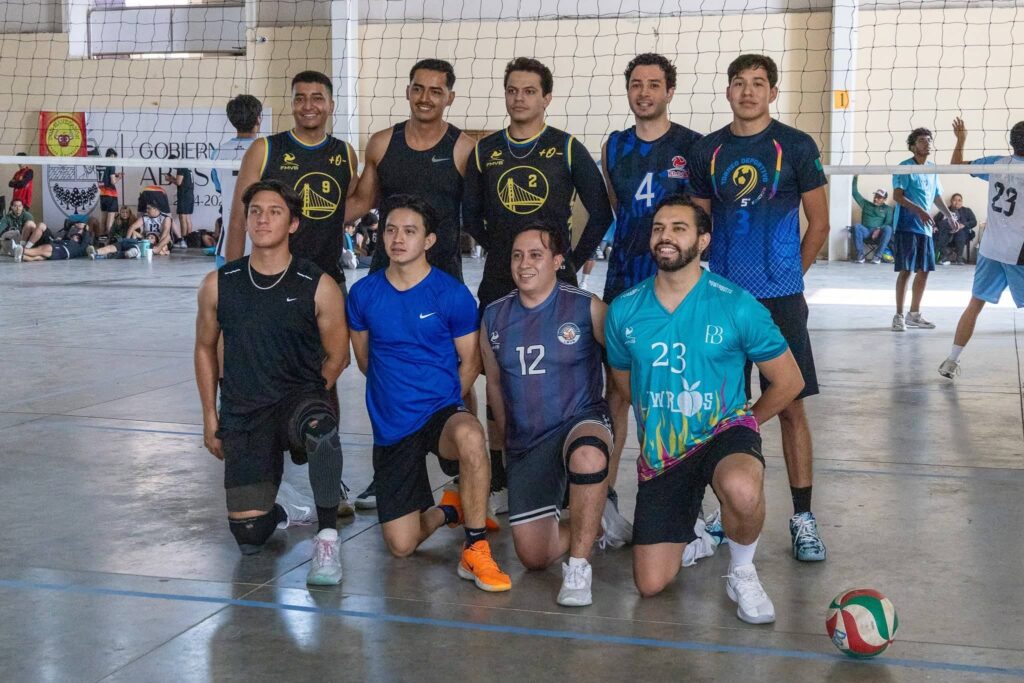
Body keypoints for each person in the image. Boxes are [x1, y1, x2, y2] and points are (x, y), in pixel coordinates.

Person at [605, 194, 804, 623]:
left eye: (679, 228)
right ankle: (696, 532)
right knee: (650, 584)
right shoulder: (624, 310)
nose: (666, 236)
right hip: (664, 452)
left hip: (722, 432)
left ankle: (742, 570)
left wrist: (746, 421)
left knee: (742, 488)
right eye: (659, 228)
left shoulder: (736, 304)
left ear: (703, 240)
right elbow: (625, 384)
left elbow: (790, 380)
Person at [687, 53, 830, 562]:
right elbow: (699, 231)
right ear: (727, 91)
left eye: (758, 83)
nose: (747, 91)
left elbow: (819, 223)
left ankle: (803, 517)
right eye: (739, 83)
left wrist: (791, 278)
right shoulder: (707, 151)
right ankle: (726, 513)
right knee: (720, 406)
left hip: (780, 300)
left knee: (790, 406)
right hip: (724, 301)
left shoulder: (796, 145)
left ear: (772, 91)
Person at [462, 56, 613, 514]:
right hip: (500, 279)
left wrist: (572, 259)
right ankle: (502, 475)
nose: (519, 98)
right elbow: (471, 216)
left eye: (529, 91)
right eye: (512, 90)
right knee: (501, 377)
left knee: (559, 372)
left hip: (555, 280)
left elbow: (601, 212)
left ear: (546, 97)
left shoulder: (566, 148)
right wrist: (503, 252)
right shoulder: (486, 151)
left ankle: (571, 467)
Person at [346, 194, 511, 593]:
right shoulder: (363, 294)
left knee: (470, 435)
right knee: (402, 546)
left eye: (409, 231)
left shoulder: (450, 294)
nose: (397, 239)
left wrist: (446, 400)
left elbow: (470, 361)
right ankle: (449, 509)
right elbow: (366, 362)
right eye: (390, 230)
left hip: (440, 413)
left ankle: (475, 548)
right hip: (392, 425)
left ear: (429, 240)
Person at [194, 179, 350, 584]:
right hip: (245, 411)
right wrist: (210, 416)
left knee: (322, 430)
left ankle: (327, 538)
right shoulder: (219, 284)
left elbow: (339, 355)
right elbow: (205, 349)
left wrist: (314, 395)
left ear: (293, 224)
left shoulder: (318, 285)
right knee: (250, 537)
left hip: (297, 403)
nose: (263, 219)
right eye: (256, 212)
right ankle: (283, 507)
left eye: (275, 212)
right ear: (246, 221)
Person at [599, 52, 704, 548]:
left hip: (675, 286)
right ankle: (604, 505)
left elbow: (700, 221)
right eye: (636, 84)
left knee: (674, 393)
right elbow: (618, 210)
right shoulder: (614, 146)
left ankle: (685, 508)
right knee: (616, 393)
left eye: (654, 84)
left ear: (670, 91)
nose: (644, 93)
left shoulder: (692, 147)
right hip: (624, 281)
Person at [480, 225, 612, 606]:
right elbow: (493, 386)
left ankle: (579, 568)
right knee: (534, 557)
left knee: (588, 456)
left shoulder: (587, 307)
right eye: (517, 255)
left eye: (536, 255)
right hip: (529, 440)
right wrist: (507, 446)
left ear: (557, 261)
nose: (524, 264)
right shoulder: (493, 317)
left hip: (579, 420)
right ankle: (596, 519)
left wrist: (615, 421)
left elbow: (622, 369)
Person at [226, 70, 359, 290]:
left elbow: (352, 203)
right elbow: (238, 220)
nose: (308, 106)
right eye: (300, 99)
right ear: (292, 104)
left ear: (331, 106)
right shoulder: (264, 149)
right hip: (273, 280)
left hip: (329, 278)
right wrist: (231, 283)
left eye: (317, 98)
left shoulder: (345, 153)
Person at [349, 58, 475, 280]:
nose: (424, 98)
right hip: (387, 271)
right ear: (408, 92)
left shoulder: (464, 149)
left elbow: (480, 212)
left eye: (435, 92)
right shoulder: (381, 143)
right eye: (418, 89)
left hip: (443, 274)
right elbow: (361, 202)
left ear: (450, 98)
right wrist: (307, 222)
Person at [939, 118, 1024, 379]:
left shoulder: (996, 163)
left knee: (975, 304)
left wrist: (961, 140)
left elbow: (955, 166)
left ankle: (951, 361)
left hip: (990, 249)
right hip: (1018, 252)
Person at [889, 128, 959, 331]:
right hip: (906, 225)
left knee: (925, 270)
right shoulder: (905, 167)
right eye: (922, 140)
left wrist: (949, 215)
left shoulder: (932, 168)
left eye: (929, 140)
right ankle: (898, 315)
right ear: (913, 146)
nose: (927, 143)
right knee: (906, 270)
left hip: (925, 227)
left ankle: (914, 314)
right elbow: (898, 196)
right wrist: (920, 211)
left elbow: (936, 196)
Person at [213, 94, 263, 268]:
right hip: (261, 241)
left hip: (228, 245)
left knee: (227, 283)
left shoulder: (218, 153)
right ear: (258, 119)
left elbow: (218, 187)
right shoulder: (266, 150)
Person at [850, 176, 894, 263]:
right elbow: (854, 192)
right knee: (856, 226)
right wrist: (855, 177)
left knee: (888, 229)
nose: (876, 199)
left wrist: (878, 229)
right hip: (866, 231)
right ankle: (860, 256)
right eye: (875, 196)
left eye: (879, 197)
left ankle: (877, 256)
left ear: (884, 199)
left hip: (879, 234)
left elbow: (888, 222)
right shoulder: (866, 204)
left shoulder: (888, 209)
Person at [16, 220, 92, 262]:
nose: (76, 234)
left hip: (63, 250)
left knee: (45, 249)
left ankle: (22, 250)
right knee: (42, 255)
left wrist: (86, 228)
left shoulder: (80, 246)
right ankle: (22, 254)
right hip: (56, 243)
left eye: (78, 237)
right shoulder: (68, 236)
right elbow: (67, 223)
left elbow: (86, 240)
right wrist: (75, 224)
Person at [934, 193, 978, 265]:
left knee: (960, 231)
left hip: (962, 233)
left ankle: (959, 257)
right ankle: (944, 254)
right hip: (947, 233)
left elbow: (974, 222)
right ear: (951, 201)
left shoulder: (967, 210)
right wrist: (935, 226)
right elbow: (936, 220)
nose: (957, 202)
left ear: (962, 202)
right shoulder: (945, 210)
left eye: (959, 200)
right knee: (944, 225)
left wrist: (963, 225)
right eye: (955, 200)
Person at [164, 154, 195, 241]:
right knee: (187, 218)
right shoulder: (187, 168)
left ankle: (183, 240)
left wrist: (169, 179)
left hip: (184, 196)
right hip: (189, 195)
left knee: (182, 218)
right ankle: (189, 239)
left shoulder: (180, 168)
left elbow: (178, 182)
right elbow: (182, 181)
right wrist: (173, 178)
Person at [98, 149, 123, 238]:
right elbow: (113, 181)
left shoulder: (100, 164)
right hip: (111, 195)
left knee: (103, 220)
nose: (115, 160)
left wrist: (115, 174)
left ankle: (100, 239)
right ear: (112, 156)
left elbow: (105, 175)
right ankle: (108, 240)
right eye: (114, 157)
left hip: (102, 194)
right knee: (110, 222)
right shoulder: (111, 164)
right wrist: (119, 177)